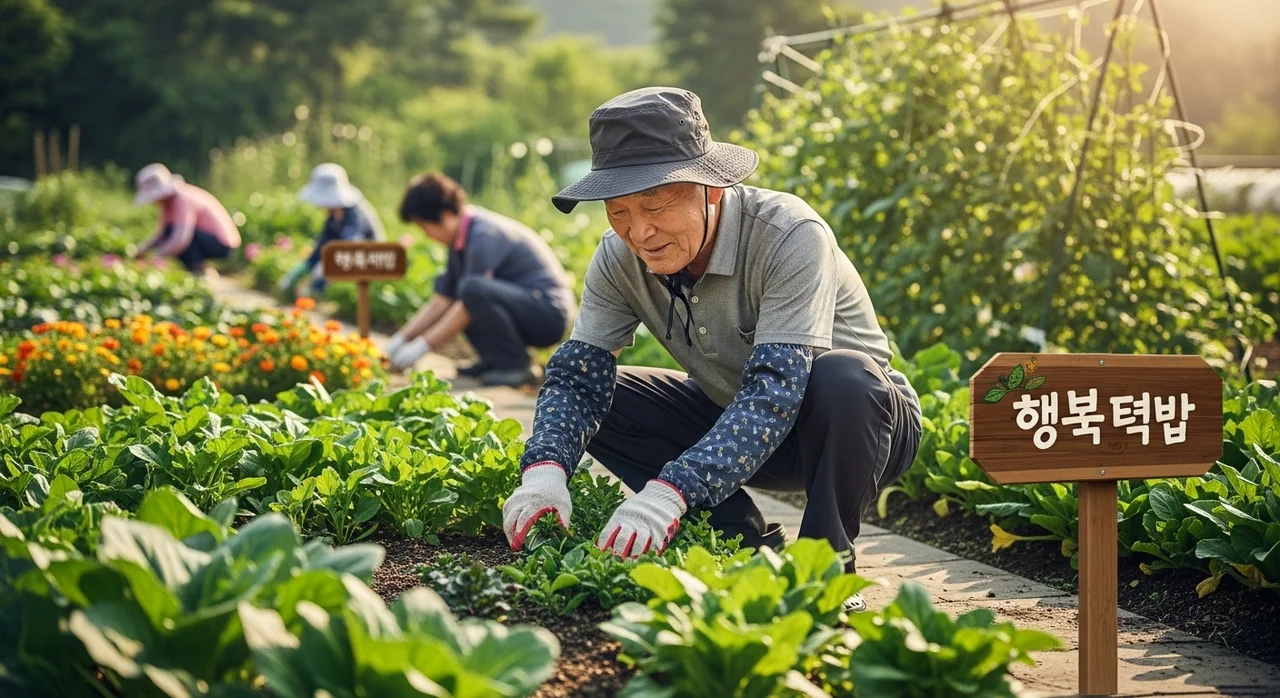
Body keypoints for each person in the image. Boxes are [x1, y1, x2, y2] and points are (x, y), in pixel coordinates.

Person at [500, 87, 923, 613]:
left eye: (654, 205)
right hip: (740, 432)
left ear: (712, 187)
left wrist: (669, 492)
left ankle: (822, 573)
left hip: (858, 430)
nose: (640, 231)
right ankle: (738, 540)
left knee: (845, 377)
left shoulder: (789, 233)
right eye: (619, 212)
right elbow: (577, 375)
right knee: (603, 391)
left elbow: (777, 391)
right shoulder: (619, 257)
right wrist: (545, 470)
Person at [386, 172, 576, 387]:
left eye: (424, 226)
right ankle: (495, 360)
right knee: (465, 290)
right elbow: (442, 300)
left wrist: (422, 346)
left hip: (547, 314)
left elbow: (466, 304)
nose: (426, 234)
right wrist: (400, 340)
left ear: (446, 214)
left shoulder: (483, 235)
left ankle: (515, 365)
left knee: (471, 290)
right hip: (521, 304)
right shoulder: (458, 242)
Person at [278, 163, 386, 298]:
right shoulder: (333, 216)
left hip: (367, 260)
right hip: (345, 260)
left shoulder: (354, 213)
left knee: (320, 279)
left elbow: (350, 246)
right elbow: (324, 243)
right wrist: (306, 265)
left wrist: (323, 270)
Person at [134, 163, 241, 274]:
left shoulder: (183, 199)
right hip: (207, 239)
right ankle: (197, 268)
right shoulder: (167, 205)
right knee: (169, 232)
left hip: (222, 244)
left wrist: (157, 256)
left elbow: (181, 238)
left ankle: (198, 269)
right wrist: (142, 249)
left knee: (176, 235)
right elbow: (161, 233)